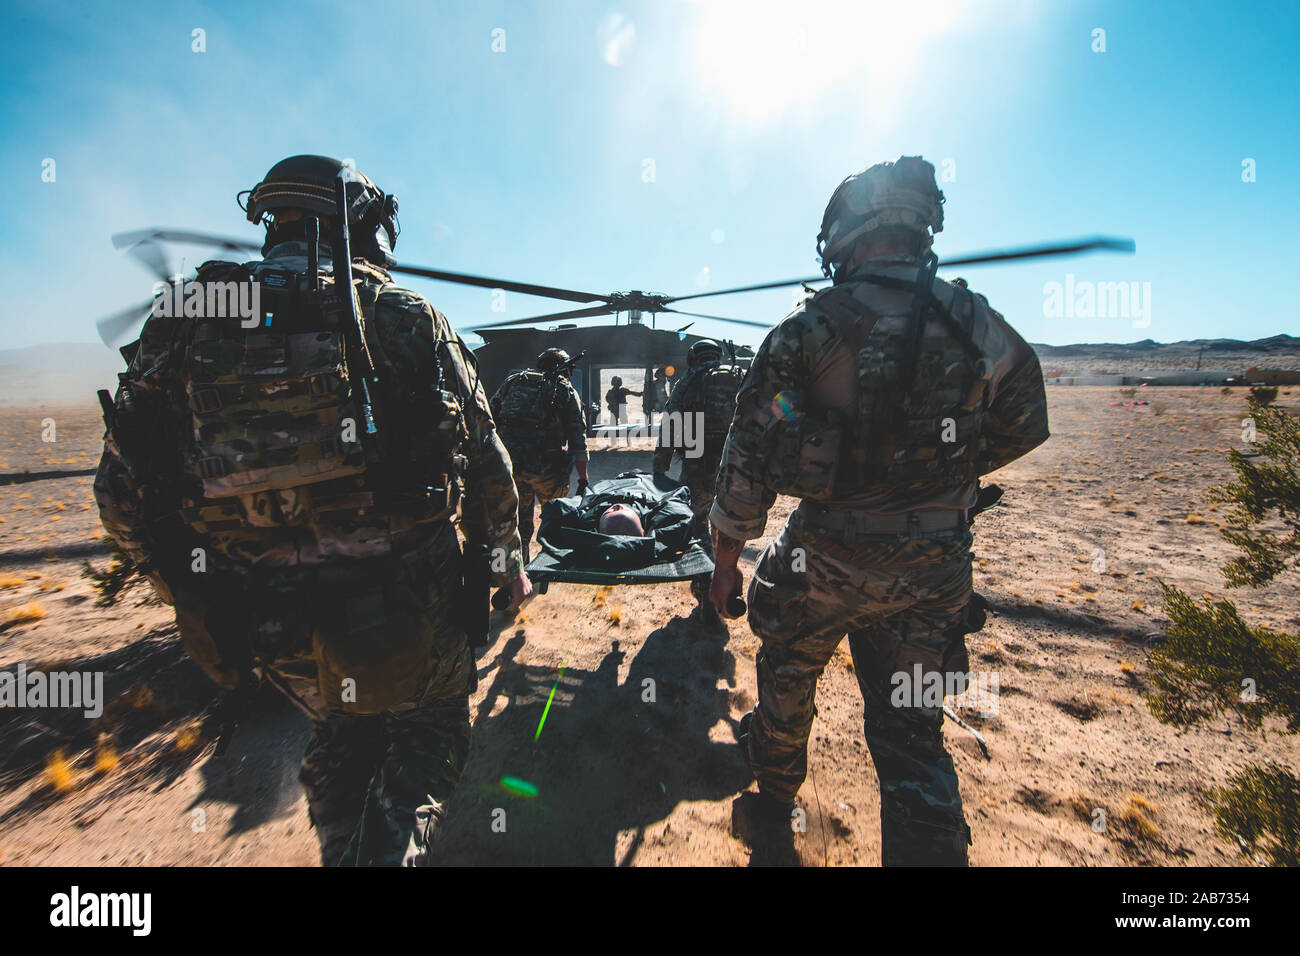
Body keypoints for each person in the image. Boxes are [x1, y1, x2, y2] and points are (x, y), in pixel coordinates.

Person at [94, 154, 531, 867]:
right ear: (361, 223)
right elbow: (490, 470)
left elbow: (119, 496)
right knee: (430, 733)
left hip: (269, 626)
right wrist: (505, 570)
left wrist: (191, 590)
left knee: (343, 728)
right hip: (408, 611)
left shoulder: (188, 320)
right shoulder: (406, 318)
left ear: (272, 219)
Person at [708, 156, 1050, 865]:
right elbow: (1022, 423)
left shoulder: (808, 329)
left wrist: (726, 564)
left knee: (786, 684)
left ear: (846, 234)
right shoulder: (975, 323)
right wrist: (942, 473)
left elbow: (750, 453)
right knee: (912, 734)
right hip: (933, 570)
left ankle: (772, 812)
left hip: (823, 561)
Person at [653, 339, 743, 626]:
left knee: (698, 525)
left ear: (693, 359)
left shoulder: (688, 382)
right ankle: (726, 582)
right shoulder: (739, 378)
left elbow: (670, 427)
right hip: (736, 469)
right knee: (727, 526)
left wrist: (660, 469)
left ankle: (705, 587)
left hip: (699, 467)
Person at [490, 348, 590, 563]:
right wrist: (584, 479)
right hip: (548, 470)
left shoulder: (513, 382)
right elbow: (577, 441)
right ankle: (550, 567)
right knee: (554, 519)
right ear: (564, 369)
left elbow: (491, 418)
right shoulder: (566, 390)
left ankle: (520, 569)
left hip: (512, 467)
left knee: (518, 521)